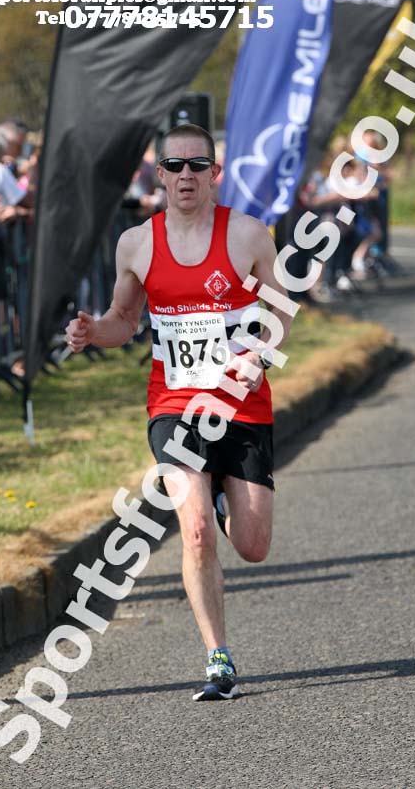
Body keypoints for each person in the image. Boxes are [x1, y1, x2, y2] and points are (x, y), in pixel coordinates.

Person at [65, 124, 293, 701]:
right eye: (176, 166)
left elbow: (280, 308)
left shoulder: (247, 235)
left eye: (199, 166)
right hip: (174, 403)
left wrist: (260, 354)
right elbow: (124, 319)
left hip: (240, 404)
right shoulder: (136, 243)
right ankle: (218, 658)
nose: (187, 176)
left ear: (215, 173)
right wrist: (96, 332)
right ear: (159, 174)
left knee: (253, 544)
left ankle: (221, 494)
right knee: (193, 533)